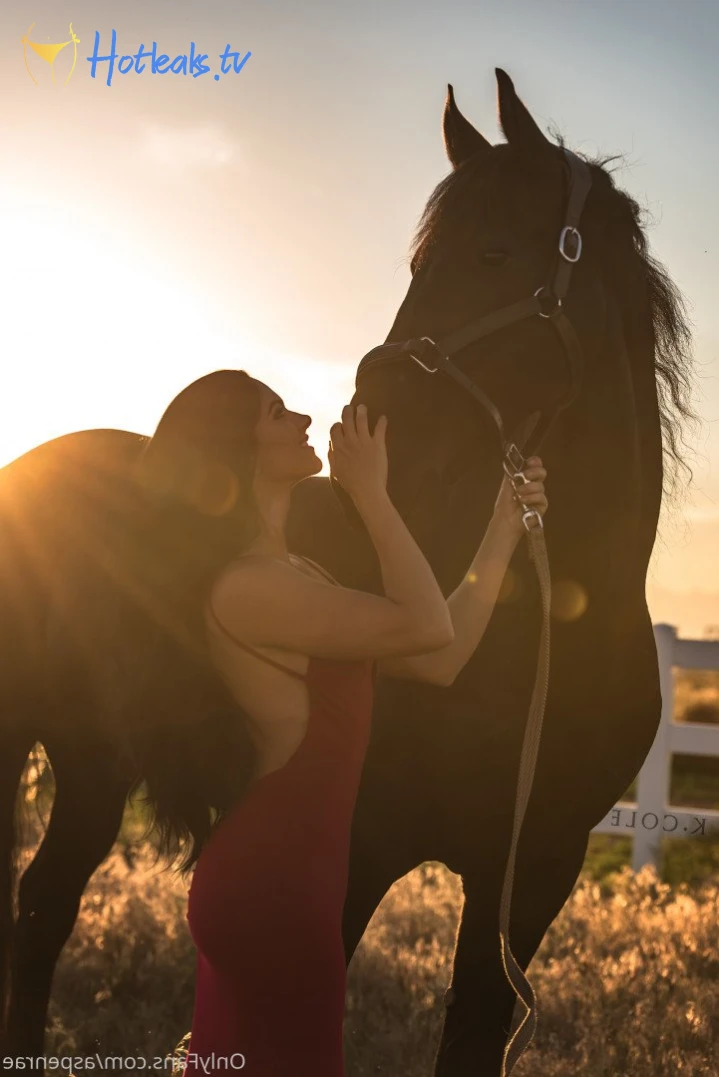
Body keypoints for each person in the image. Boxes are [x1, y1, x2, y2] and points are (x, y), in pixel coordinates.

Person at [134, 369, 547, 1076]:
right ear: (237, 448)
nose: (301, 417)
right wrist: (371, 494)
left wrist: (503, 525)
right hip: (275, 890)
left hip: (291, 885)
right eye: (274, 412)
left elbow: (438, 653)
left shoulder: (293, 572)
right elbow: (423, 621)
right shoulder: (250, 587)